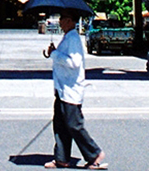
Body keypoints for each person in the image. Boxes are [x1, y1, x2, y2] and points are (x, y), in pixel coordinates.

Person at [43, 10, 107, 169]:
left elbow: (74, 63)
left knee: (73, 124)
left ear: (70, 21)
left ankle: (94, 153)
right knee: (60, 124)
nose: (60, 22)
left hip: (71, 89)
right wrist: (53, 53)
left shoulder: (74, 38)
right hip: (62, 88)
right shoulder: (67, 37)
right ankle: (61, 158)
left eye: (63, 19)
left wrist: (55, 54)